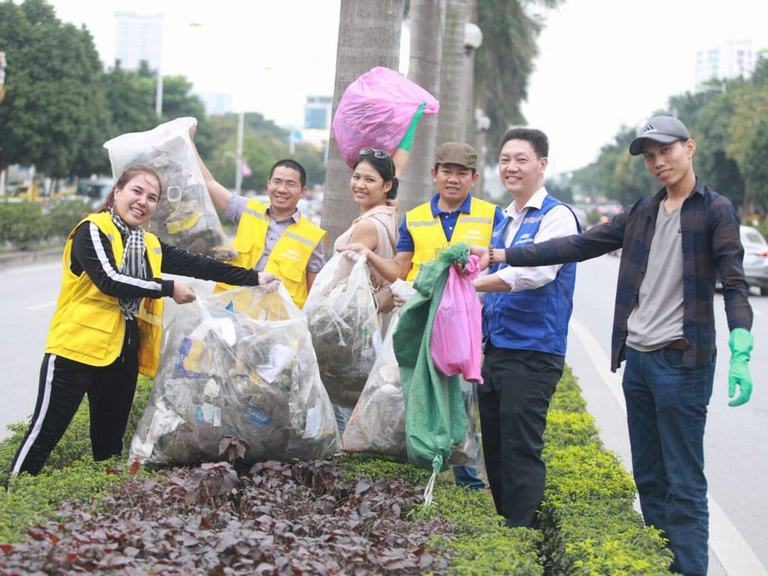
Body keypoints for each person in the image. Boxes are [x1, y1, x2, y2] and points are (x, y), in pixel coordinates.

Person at [472, 116, 754, 575]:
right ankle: (661, 562)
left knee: (682, 479)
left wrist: (740, 340)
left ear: (689, 147)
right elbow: (578, 245)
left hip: (683, 361)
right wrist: (506, 254)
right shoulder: (643, 211)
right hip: (638, 360)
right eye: (649, 156)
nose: (658, 162)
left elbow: (735, 281)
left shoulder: (714, 209)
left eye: (665, 151)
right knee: (648, 477)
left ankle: (689, 568)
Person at [11, 166, 275, 476]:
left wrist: (253, 278)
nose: (143, 201)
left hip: (122, 355)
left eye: (152, 197)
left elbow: (199, 265)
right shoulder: (92, 230)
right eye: (136, 191)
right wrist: (168, 288)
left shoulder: (148, 243)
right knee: (44, 436)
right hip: (75, 350)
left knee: (109, 447)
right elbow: (110, 280)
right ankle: (11, 495)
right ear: (117, 192)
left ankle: (100, 510)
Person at [342, 141, 504, 490]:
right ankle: (419, 458)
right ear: (434, 174)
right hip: (422, 323)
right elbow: (401, 270)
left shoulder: (493, 216)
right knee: (416, 390)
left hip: (470, 327)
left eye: (462, 172)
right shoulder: (414, 219)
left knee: (466, 395)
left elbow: (503, 265)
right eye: (447, 170)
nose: (453, 179)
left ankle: (467, 474)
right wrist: (368, 256)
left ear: (474, 178)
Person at [471, 127, 580, 527]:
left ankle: (523, 536)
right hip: (496, 351)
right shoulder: (504, 221)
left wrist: (471, 284)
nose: (511, 168)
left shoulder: (557, 217)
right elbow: (491, 284)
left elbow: (536, 273)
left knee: (519, 450)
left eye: (521, 159)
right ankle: (507, 530)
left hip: (534, 353)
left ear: (542, 164)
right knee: (496, 451)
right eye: (505, 160)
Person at [196, 153, 326, 309]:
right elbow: (209, 183)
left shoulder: (312, 236)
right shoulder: (248, 210)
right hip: (232, 313)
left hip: (276, 325)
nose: (282, 189)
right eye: (277, 182)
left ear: (303, 191)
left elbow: (315, 292)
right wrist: (188, 140)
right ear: (268, 185)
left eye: (290, 184)